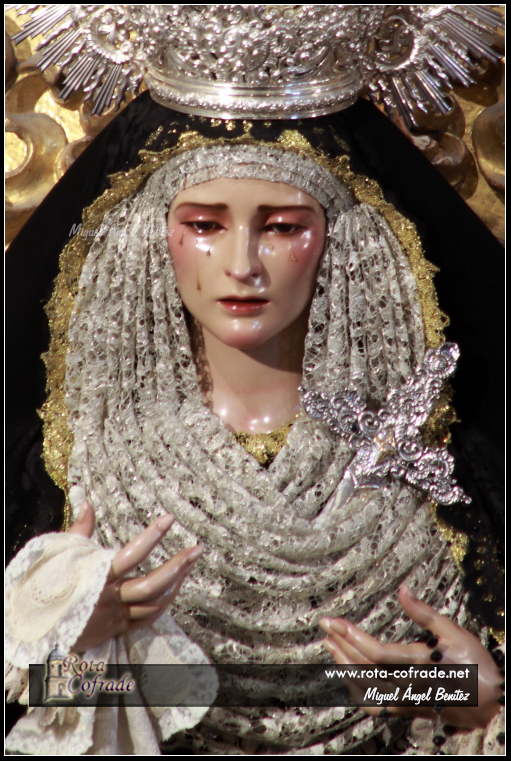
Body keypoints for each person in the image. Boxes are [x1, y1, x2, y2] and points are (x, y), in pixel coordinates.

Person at [6, 96, 504, 755]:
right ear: (148, 234)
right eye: (204, 224)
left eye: (282, 227)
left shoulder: (455, 472)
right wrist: (63, 635)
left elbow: (472, 695)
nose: (241, 264)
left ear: (344, 238)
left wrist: (461, 694)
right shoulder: (58, 471)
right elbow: (43, 705)